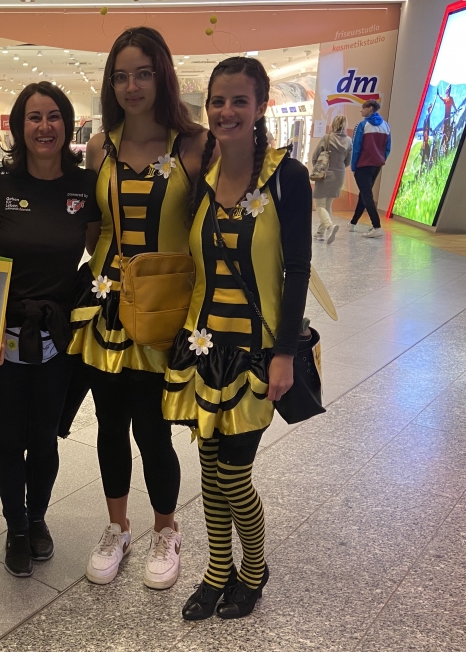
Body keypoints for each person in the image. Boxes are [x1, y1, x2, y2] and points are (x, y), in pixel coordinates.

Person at [163, 57, 311, 620]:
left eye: (239, 101)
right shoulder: (202, 173)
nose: (226, 112)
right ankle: (216, 570)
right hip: (203, 349)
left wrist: (284, 355)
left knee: (234, 474)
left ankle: (253, 570)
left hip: (257, 352)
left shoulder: (286, 177)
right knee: (209, 470)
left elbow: (297, 270)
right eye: (217, 101)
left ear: (261, 106)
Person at [67, 26, 211, 591]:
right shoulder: (101, 146)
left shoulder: (194, 145)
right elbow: (93, 227)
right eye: (121, 76)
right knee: (109, 424)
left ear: (162, 76)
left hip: (164, 311)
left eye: (143, 73)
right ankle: (117, 527)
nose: (132, 86)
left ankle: (166, 529)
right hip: (107, 306)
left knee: (153, 428)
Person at [0, 83, 100, 577]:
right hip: (4, 332)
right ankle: (15, 526)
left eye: (54, 116)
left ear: (67, 124)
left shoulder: (85, 185)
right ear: (19, 126)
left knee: (46, 438)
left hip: (60, 335)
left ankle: (37, 519)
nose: (44, 126)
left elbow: (99, 249)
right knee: (9, 438)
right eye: (34, 117)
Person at [348, 99, 390, 238]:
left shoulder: (362, 125)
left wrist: (353, 165)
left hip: (363, 165)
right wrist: (381, 159)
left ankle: (377, 226)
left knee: (366, 195)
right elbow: (388, 148)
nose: (361, 110)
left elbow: (356, 147)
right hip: (377, 165)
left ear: (370, 108)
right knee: (364, 193)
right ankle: (353, 223)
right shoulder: (386, 126)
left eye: (363, 108)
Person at [311, 115, 352, 243]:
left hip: (325, 174)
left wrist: (318, 168)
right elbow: (348, 161)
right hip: (339, 175)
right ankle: (320, 233)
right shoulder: (349, 141)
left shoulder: (327, 138)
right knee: (328, 205)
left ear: (333, 125)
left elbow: (315, 156)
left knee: (319, 205)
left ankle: (329, 226)